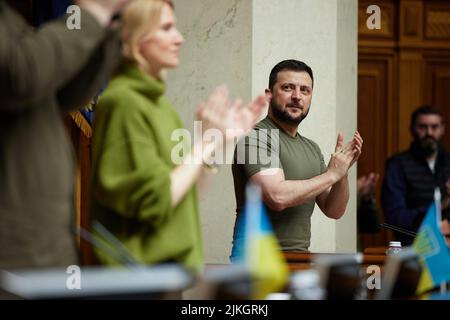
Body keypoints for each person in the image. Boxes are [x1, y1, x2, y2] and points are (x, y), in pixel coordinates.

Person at [90, 0, 266, 271]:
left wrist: (218, 143)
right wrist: (206, 140)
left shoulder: (160, 106)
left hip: (167, 274)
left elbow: (187, 195)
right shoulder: (122, 101)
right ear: (136, 40)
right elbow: (156, 201)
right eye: (166, 28)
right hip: (137, 278)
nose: (179, 38)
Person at [0, 0, 130, 270]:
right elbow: (20, 73)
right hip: (16, 255)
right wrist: (94, 12)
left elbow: (65, 92)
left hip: (45, 247)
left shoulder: (10, 18)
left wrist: (110, 23)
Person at [230, 59, 363, 259]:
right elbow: (277, 197)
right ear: (269, 95)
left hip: (299, 259)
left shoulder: (311, 147)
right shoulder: (256, 137)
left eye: (305, 90)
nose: (296, 96)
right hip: (255, 262)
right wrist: (332, 174)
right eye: (287, 88)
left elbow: (334, 210)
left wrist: (341, 173)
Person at [381, 105, 450, 246]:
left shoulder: (448, 162)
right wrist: (437, 207)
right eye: (423, 127)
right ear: (412, 129)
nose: (429, 132)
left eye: (434, 127)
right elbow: (395, 217)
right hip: (412, 251)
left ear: (443, 129)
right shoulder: (398, 165)